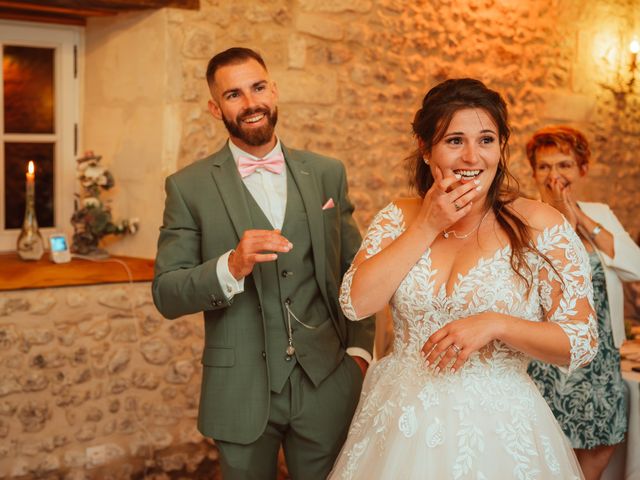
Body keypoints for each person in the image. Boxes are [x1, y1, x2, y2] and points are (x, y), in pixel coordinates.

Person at [328, 78, 598, 479]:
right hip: (402, 419)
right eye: (455, 140)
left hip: (498, 429)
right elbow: (357, 303)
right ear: (426, 149)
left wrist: (496, 324)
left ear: (501, 148)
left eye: (486, 140)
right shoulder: (399, 216)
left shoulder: (539, 224)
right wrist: (427, 225)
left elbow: (580, 342)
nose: (472, 156)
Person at [152, 47, 374, 480]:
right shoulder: (188, 187)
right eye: (233, 94)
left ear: (273, 90)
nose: (250, 102)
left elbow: (357, 269)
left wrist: (359, 354)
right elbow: (166, 293)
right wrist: (231, 266)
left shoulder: (327, 173)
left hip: (327, 381)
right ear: (216, 108)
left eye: (257, 87)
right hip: (240, 390)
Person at [525, 126, 640, 480]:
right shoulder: (525, 215)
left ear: (582, 170)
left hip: (600, 355)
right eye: (544, 167)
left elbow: (633, 266)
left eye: (564, 165)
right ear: (532, 172)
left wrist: (578, 214)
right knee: (547, 447)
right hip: (546, 355)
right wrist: (559, 212)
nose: (554, 175)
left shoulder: (600, 213)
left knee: (602, 442)